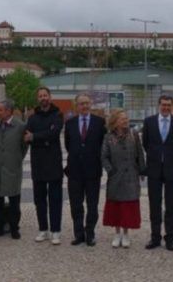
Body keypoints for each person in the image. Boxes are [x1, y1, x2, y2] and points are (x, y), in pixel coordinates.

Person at [142, 94, 173, 251]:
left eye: (168, 105)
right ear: (158, 105)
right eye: (163, 105)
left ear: (171, 106)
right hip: (153, 169)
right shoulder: (149, 122)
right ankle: (155, 237)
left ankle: (170, 238)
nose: (166, 107)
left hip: (171, 170)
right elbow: (145, 144)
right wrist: (156, 157)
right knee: (154, 205)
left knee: (171, 205)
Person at [65, 93, 106, 246]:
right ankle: (78, 234)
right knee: (76, 204)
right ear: (76, 106)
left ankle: (90, 233)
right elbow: (69, 145)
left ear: (91, 104)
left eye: (87, 103)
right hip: (74, 171)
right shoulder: (69, 123)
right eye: (82, 103)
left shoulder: (100, 123)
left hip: (93, 171)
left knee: (92, 205)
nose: (85, 106)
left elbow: (102, 146)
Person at [25, 86, 63, 245]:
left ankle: (55, 231)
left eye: (45, 95)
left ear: (50, 97)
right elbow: (27, 137)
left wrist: (35, 137)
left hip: (53, 163)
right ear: (38, 99)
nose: (43, 98)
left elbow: (54, 134)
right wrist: (40, 137)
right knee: (39, 199)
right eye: (40, 96)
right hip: (38, 163)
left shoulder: (57, 115)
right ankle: (43, 229)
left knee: (55, 199)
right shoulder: (32, 118)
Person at [101, 109, 144, 249]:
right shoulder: (108, 137)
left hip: (131, 176)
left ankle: (126, 234)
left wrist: (142, 171)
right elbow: (104, 156)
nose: (125, 121)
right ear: (115, 121)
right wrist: (110, 170)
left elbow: (140, 154)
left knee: (128, 207)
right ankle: (117, 233)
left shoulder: (134, 134)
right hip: (115, 177)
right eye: (122, 119)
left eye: (126, 118)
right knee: (116, 206)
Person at [0, 99, 27, 239]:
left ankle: (14, 228)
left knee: (14, 201)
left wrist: (15, 160)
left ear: (8, 111)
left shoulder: (21, 126)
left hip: (12, 169)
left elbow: (24, 147)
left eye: (0, 110)